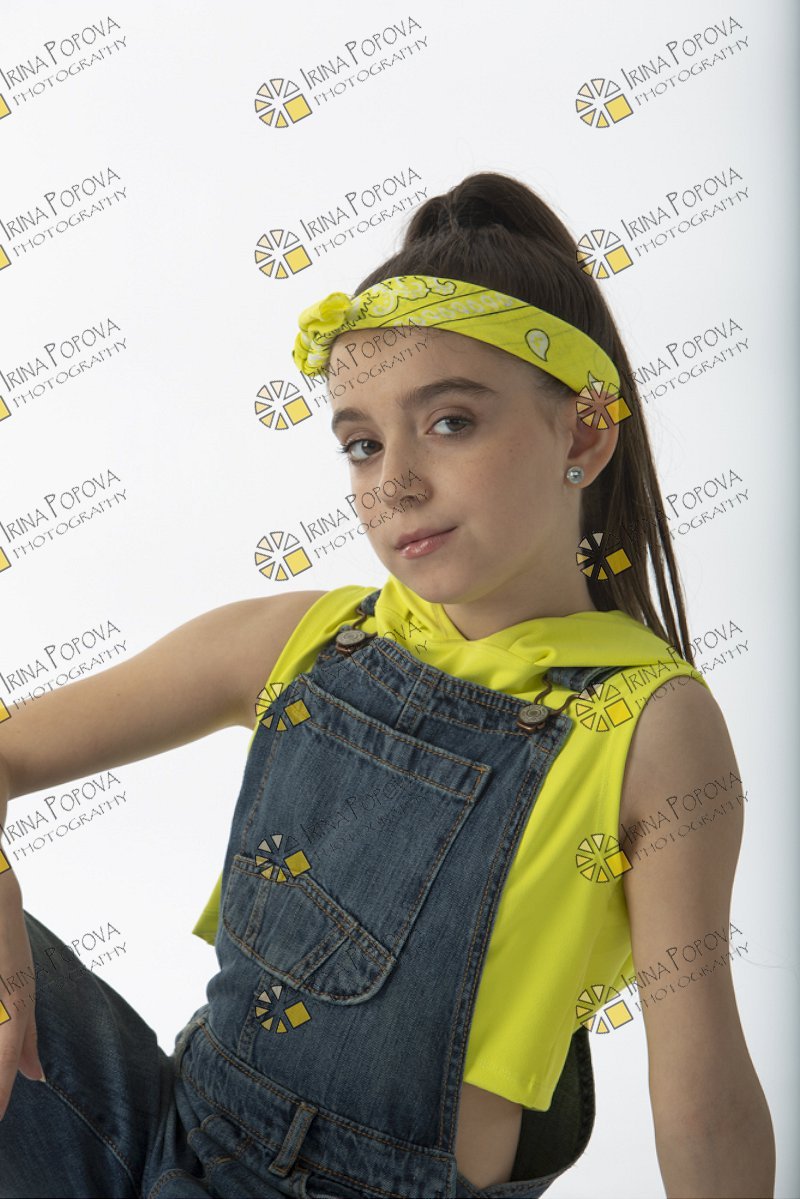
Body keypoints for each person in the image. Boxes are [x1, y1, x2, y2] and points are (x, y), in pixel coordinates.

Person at [0, 172, 774, 1199]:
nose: (393, 482)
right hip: (159, 1141)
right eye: (362, 444)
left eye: (449, 422)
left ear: (584, 433)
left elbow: (701, 1096)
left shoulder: (642, 726)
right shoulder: (304, 640)